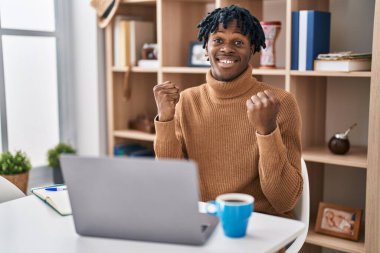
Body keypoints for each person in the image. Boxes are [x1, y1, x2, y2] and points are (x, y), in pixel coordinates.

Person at [153, 5, 303, 218]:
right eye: (218, 40)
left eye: (238, 42)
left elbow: (284, 200)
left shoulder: (280, 102)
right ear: (205, 47)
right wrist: (166, 120)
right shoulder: (187, 101)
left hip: (261, 225)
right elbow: (170, 188)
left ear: (252, 50)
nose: (227, 49)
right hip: (203, 220)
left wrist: (267, 130)